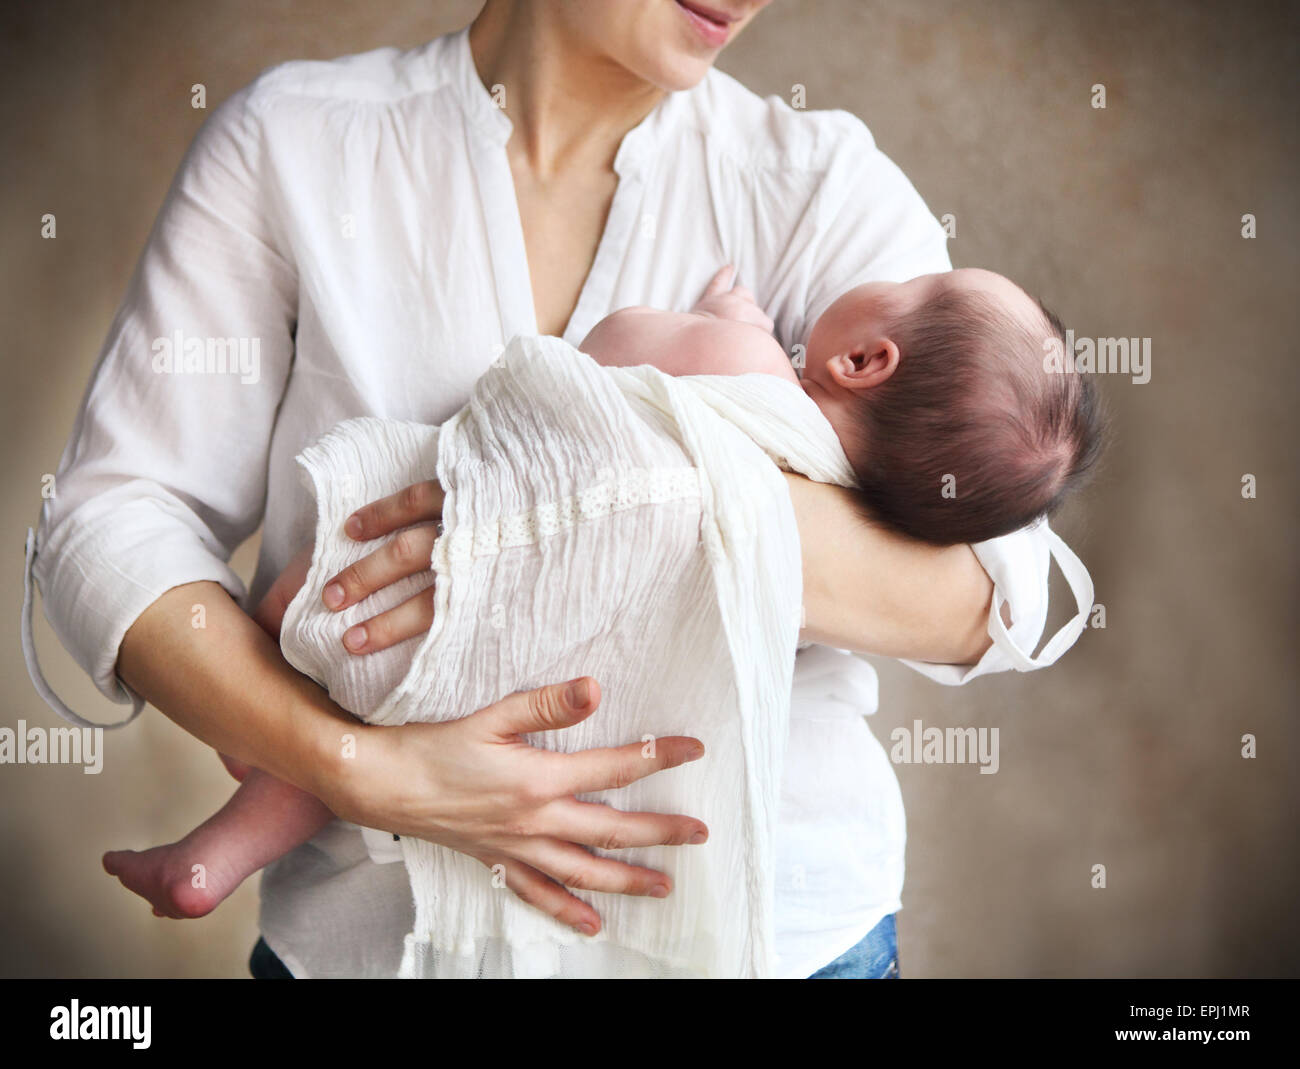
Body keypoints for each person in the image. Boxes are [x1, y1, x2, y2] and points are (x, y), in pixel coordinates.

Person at [24, 1, 1093, 978]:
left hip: (778, 942)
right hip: (381, 942)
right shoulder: (297, 144)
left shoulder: (817, 183)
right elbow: (113, 517)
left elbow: (999, 584)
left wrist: (547, 512)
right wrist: (354, 767)